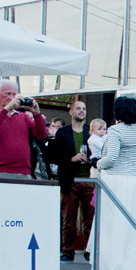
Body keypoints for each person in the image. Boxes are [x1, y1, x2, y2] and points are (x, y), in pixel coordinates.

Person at [91, 97, 136, 270]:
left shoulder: (114, 131)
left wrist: (97, 162)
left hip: (116, 179)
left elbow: (111, 158)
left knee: (113, 225)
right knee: (135, 224)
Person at [46, 100, 95, 260]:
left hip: (89, 179)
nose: (82, 111)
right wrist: (71, 158)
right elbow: (55, 157)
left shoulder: (91, 131)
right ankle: (68, 252)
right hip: (69, 180)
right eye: (78, 109)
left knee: (90, 218)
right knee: (69, 218)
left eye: (84, 109)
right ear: (71, 112)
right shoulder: (63, 132)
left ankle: (89, 251)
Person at [0, 79, 49, 178]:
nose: (11, 98)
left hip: (23, 172)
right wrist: (7, 108)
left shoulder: (22, 116)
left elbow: (41, 135)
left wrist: (37, 114)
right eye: (8, 94)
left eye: (14, 95)